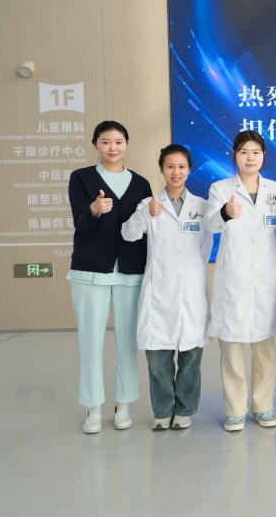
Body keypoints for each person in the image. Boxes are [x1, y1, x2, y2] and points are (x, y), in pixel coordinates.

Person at [67, 120, 150, 434]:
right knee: (90, 341)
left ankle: (123, 404)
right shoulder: (82, 178)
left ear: (126, 144)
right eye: (105, 142)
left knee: (128, 341)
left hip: (130, 271)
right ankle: (92, 407)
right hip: (90, 271)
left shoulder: (140, 184)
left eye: (118, 142)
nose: (112, 147)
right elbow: (80, 225)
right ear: (95, 145)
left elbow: (144, 230)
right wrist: (93, 209)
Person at [121, 144, 212, 430]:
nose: (176, 172)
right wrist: (145, 215)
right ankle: (162, 412)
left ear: (189, 170)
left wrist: (191, 273)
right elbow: (128, 234)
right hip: (159, 287)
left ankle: (184, 410)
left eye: (181, 166)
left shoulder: (202, 207)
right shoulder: (149, 204)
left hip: (191, 287)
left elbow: (205, 247)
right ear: (161, 169)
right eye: (170, 166)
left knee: (191, 354)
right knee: (158, 355)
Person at [205, 130, 276, 431]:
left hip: (265, 276)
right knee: (232, 347)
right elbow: (210, 225)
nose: (249, 158)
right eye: (243, 152)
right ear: (235, 156)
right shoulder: (220, 189)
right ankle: (235, 409)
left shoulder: (275, 190)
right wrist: (225, 213)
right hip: (234, 277)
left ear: (263, 155)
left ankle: (263, 406)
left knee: (265, 349)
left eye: (255, 152)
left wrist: (267, 255)